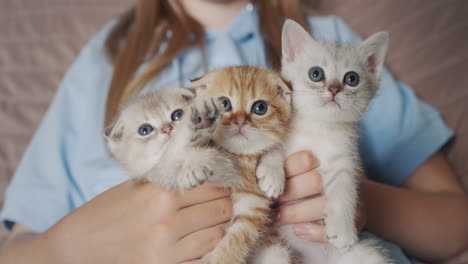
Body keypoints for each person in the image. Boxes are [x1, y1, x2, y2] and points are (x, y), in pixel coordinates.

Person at [1, 0, 467, 263]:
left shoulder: (327, 49)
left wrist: (353, 200)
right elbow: (17, 251)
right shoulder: (109, 58)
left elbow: (456, 225)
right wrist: (70, 248)